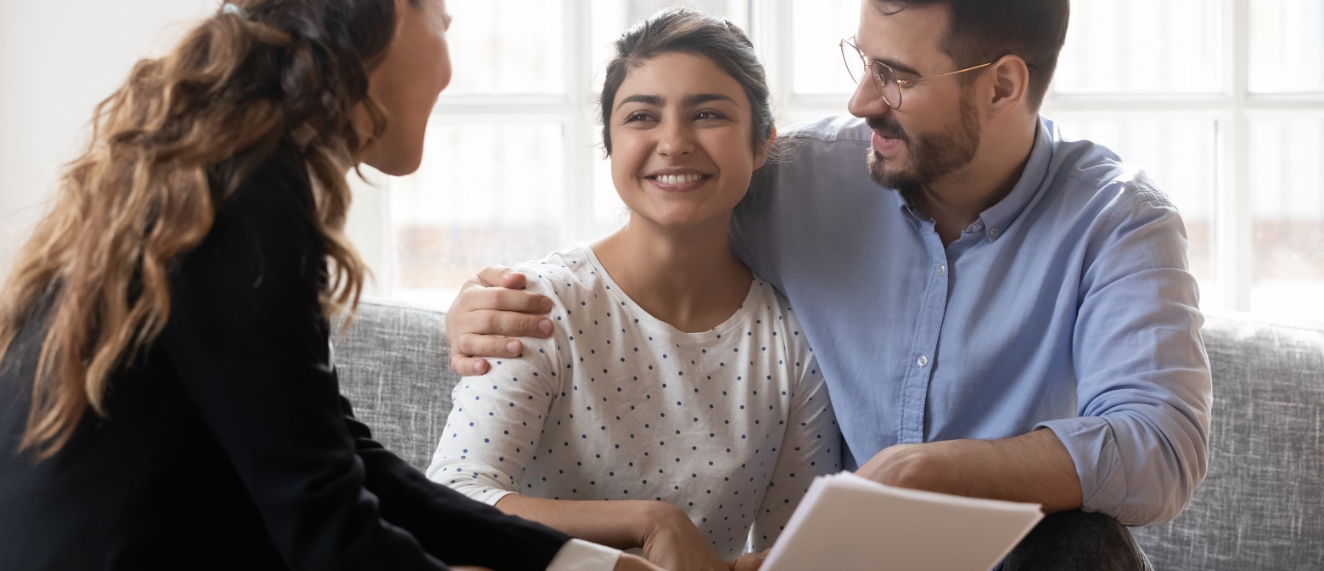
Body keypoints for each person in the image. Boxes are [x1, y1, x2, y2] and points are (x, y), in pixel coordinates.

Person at [443, 1, 1214, 569]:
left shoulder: (1119, 221)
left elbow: (1161, 445)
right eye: (864, 61)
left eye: (898, 76)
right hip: (843, 560)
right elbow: (663, 217)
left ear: (1003, 86)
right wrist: (481, 303)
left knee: (1083, 546)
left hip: (999, 554)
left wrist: (931, 468)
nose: (861, 100)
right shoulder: (795, 181)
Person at [0, 1, 661, 570]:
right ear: (392, 14)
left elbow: (347, 461)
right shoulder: (245, 192)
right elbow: (326, 525)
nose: (449, 69)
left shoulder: (220, 169)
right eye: (444, 23)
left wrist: (579, 560)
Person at [426, 9, 839, 571]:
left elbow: (795, 552)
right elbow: (450, 500)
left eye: (708, 114)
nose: (673, 142)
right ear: (610, 143)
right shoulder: (540, 305)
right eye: (642, 116)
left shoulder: (792, 342)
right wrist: (650, 523)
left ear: (761, 143)